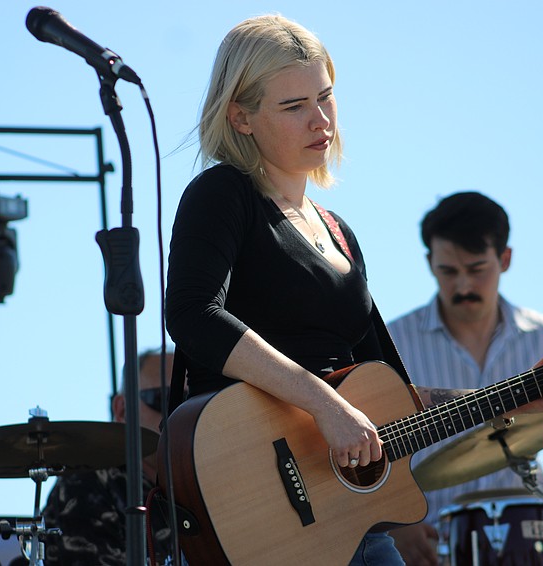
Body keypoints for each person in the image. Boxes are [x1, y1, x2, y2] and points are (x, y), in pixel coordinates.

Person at [164, 14, 447, 565]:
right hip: (253, 515)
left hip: (353, 521)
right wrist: (324, 404)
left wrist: (520, 399)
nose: (320, 120)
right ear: (239, 117)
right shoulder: (224, 193)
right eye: (294, 107)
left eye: (326, 97)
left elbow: (384, 392)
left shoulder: (340, 231)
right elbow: (193, 314)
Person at [386, 191, 543, 564]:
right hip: (430, 545)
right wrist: (391, 527)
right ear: (429, 262)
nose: (463, 287)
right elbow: (365, 449)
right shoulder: (392, 345)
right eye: (448, 271)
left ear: (505, 259)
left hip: (530, 541)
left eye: (476, 269)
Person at [42, 349, 174, 566]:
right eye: (164, 399)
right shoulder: (88, 483)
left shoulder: (213, 486)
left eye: (190, 401)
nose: (178, 412)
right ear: (122, 410)